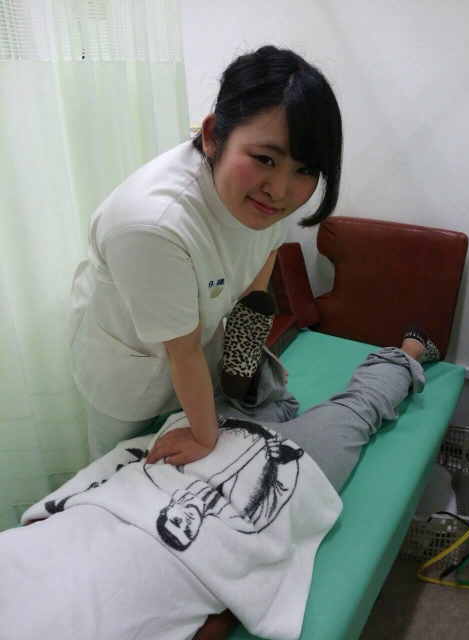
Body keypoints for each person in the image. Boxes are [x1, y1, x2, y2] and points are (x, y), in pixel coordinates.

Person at [0, 325, 440, 640]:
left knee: (257, 406)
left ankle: (271, 398)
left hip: (178, 461)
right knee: (357, 409)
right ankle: (410, 348)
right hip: (270, 479)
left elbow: (52, 515)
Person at [67, 45, 343, 463]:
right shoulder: (153, 225)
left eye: (304, 170)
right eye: (265, 159)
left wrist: (244, 362)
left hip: (194, 358)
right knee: (117, 472)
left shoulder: (265, 201)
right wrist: (203, 437)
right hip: (128, 377)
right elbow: (182, 350)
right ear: (213, 135)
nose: (280, 190)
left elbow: (257, 281)